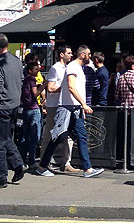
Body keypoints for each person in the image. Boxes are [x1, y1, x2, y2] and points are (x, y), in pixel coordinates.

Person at [34, 45, 104, 178]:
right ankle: (42, 166)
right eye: (89, 54)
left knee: (81, 136)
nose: (90, 57)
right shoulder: (72, 67)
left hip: (74, 108)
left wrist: (80, 106)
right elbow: (71, 87)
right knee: (58, 137)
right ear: (83, 55)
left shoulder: (78, 68)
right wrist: (83, 104)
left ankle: (87, 169)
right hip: (67, 107)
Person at [0, 33, 25, 187]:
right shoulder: (17, 61)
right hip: (14, 104)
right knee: (6, 137)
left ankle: (1, 177)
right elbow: (21, 80)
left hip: (2, 106)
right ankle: (18, 165)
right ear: (8, 45)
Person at [40, 44, 76, 173]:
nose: (71, 55)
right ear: (61, 54)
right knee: (50, 134)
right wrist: (64, 88)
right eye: (69, 53)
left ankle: (66, 162)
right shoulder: (55, 68)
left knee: (68, 135)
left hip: (66, 105)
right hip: (54, 105)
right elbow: (50, 88)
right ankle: (44, 162)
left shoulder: (69, 68)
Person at [18, 59, 45, 168]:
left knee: (25, 135)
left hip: (26, 109)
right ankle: (32, 160)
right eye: (35, 69)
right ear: (30, 70)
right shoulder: (32, 80)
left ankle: (22, 158)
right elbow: (35, 93)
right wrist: (43, 86)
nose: (37, 71)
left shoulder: (25, 80)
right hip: (33, 109)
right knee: (34, 136)